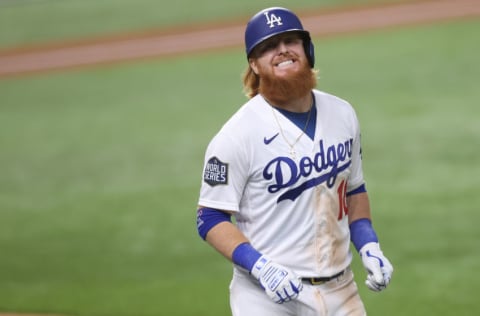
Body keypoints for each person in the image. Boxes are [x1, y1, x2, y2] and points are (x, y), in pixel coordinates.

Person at [196, 7, 393, 316]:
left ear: (307, 49)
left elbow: (354, 190)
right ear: (254, 64)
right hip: (265, 298)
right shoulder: (236, 136)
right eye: (269, 47)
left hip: (341, 290)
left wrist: (369, 244)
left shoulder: (342, 114)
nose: (282, 50)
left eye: (291, 41)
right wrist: (260, 267)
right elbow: (209, 218)